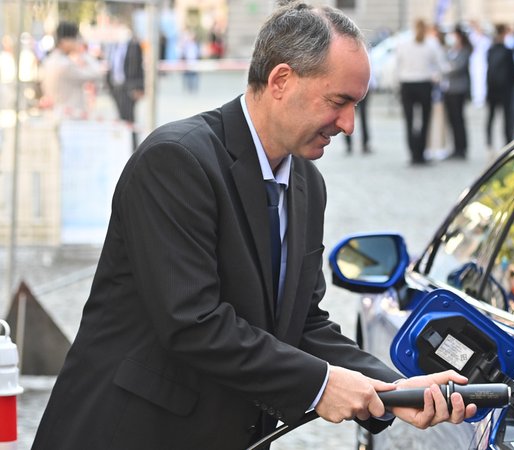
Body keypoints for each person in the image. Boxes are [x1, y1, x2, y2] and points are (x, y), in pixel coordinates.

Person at [31, 3, 475, 450]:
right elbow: (193, 322)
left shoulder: (307, 183)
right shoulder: (176, 159)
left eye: (357, 105)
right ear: (281, 80)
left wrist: (394, 390)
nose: (348, 124)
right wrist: (322, 384)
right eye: (338, 101)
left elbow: (302, 324)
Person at [395, 19, 443, 165]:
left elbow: (397, 66)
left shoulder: (403, 43)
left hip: (407, 84)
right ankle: (421, 152)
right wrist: (435, 76)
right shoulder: (431, 44)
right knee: (424, 120)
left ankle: (413, 153)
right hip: (424, 84)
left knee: (409, 121)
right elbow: (441, 65)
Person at [38, 21, 103, 119]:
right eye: (75, 39)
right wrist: (84, 53)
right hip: (71, 118)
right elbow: (98, 73)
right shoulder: (65, 65)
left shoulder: (49, 61)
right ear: (65, 41)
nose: (77, 42)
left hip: (56, 115)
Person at [442, 27, 472, 160]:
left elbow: (458, 67)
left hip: (458, 89)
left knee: (459, 119)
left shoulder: (464, 51)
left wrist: (445, 69)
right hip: (449, 89)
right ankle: (455, 147)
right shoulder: (451, 50)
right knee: (452, 120)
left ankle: (461, 148)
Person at [485, 23, 514, 150]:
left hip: (493, 89)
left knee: (492, 117)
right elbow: (513, 72)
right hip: (504, 90)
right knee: (506, 118)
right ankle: (507, 143)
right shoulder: (507, 51)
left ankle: (490, 143)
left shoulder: (491, 50)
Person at [107, 22, 144, 125]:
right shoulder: (113, 46)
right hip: (115, 86)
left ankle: (132, 140)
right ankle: (122, 140)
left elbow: (139, 67)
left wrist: (140, 87)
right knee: (120, 116)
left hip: (129, 87)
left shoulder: (134, 46)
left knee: (129, 118)